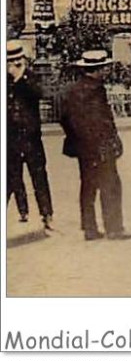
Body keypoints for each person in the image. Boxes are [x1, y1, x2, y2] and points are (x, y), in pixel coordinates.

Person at [56, 49, 131, 241]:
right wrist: (109, 142)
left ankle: (90, 229)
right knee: (111, 185)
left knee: (88, 187)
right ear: (97, 70)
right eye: (105, 67)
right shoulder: (95, 91)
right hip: (100, 147)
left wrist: (77, 139)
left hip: (83, 148)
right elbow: (101, 122)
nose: (107, 71)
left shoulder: (71, 90)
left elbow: (64, 118)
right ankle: (114, 228)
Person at [6, 41, 53, 232]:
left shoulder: (31, 78)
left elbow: (40, 93)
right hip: (10, 138)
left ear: (23, 60)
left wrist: (21, 79)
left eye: (17, 60)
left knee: (39, 176)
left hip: (31, 138)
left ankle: (46, 214)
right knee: (11, 178)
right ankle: (22, 210)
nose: (13, 65)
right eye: (10, 61)